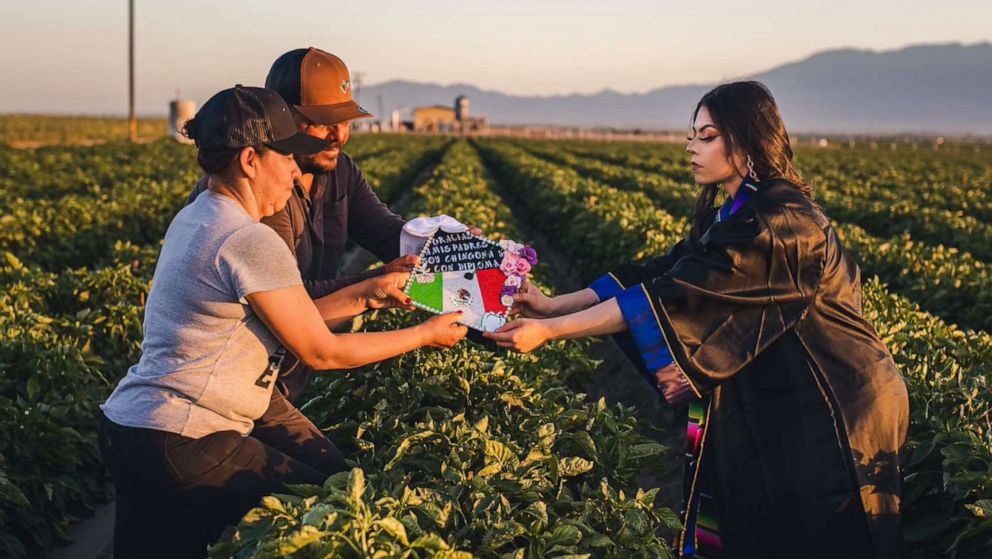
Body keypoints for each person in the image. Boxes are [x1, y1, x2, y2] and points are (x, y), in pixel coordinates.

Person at [486, 81, 909, 559]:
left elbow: (674, 296)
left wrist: (551, 331)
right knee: (764, 511)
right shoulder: (739, 210)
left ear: (748, 141)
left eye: (707, 136)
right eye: (693, 134)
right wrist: (554, 304)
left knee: (821, 525)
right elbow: (663, 273)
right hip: (788, 393)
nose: (691, 146)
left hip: (836, 402)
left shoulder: (781, 222)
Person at [99, 85, 467, 558]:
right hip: (185, 438)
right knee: (329, 510)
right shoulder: (249, 239)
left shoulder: (198, 216)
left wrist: (370, 296)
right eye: (288, 156)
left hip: (129, 429)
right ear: (251, 160)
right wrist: (424, 334)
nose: (296, 171)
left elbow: (289, 318)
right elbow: (320, 350)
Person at [186, 47, 480, 402]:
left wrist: (461, 255)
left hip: (283, 374)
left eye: (345, 122)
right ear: (281, 117)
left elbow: (387, 233)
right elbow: (291, 304)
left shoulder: (339, 170)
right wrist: (374, 284)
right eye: (323, 122)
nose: (339, 136)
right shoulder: (253, 195)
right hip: (237, 377)